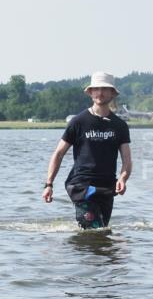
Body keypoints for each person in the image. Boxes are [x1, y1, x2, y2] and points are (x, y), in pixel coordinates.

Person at [43, 71, 132, 229]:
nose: (100, 92)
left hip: (106, 187)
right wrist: (48, 184)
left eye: (105, 89)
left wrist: (123, 179)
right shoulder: (78, 122)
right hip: (81, 186)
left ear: (112, 93)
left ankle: (81, 252)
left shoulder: (119, 125)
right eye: (96, 88)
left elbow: (127, 159)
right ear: (90, 92)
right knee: (93, 228)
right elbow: (58, 153)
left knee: (102, 232)